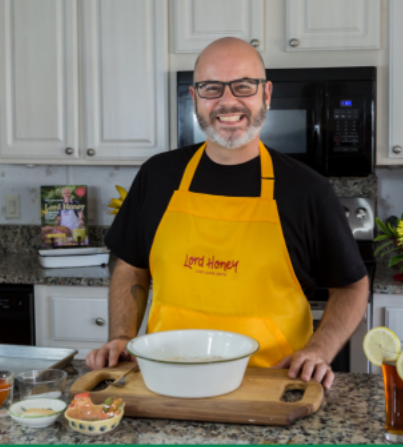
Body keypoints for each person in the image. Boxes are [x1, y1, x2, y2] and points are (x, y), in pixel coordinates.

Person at [85, 37, 368, 389]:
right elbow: (131, 266)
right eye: (212, 88)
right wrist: (121, 337)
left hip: (272, 384)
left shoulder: (307, 190)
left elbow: (352, 286)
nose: (228, 101)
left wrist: (319, 350)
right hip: (167, 379)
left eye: (243, 86)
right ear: (195, 98)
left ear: (266, 94)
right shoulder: (158, 176)